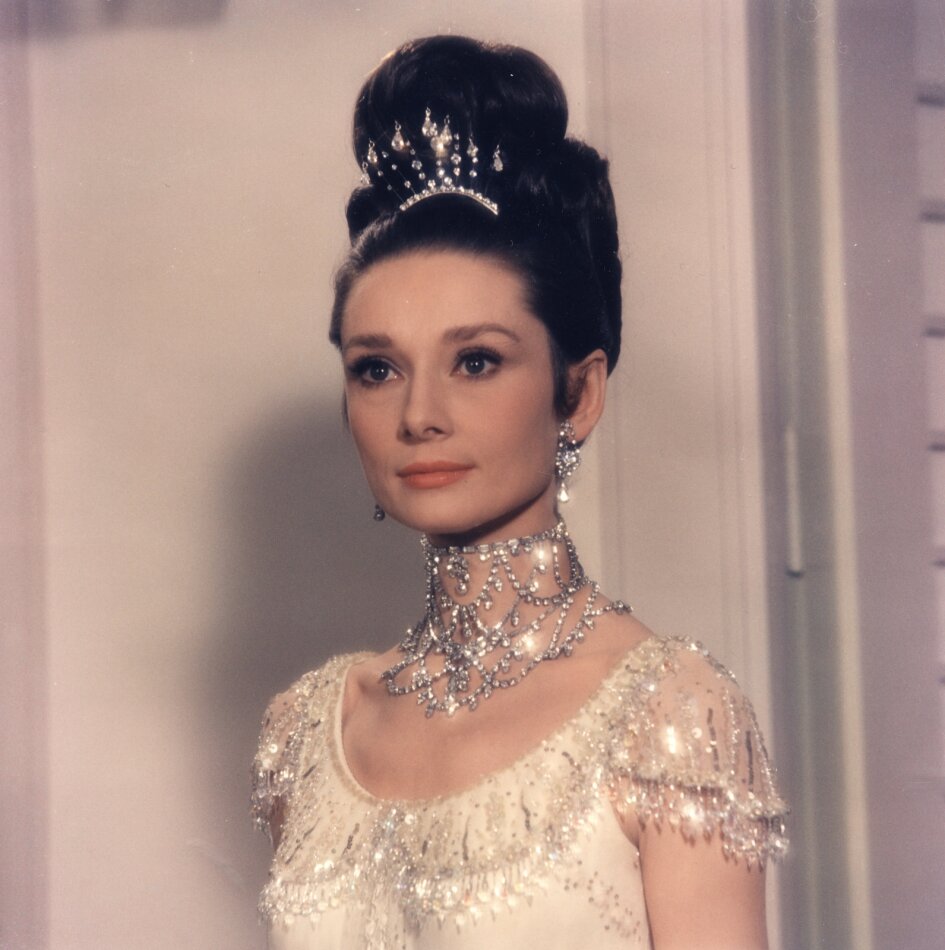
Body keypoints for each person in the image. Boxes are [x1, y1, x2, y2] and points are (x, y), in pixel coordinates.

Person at [251, 35, 787, 950]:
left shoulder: (667, 714)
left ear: (577, 394)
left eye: (475, 361)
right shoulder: (309, 729)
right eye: (377, 368)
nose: (419, 414)